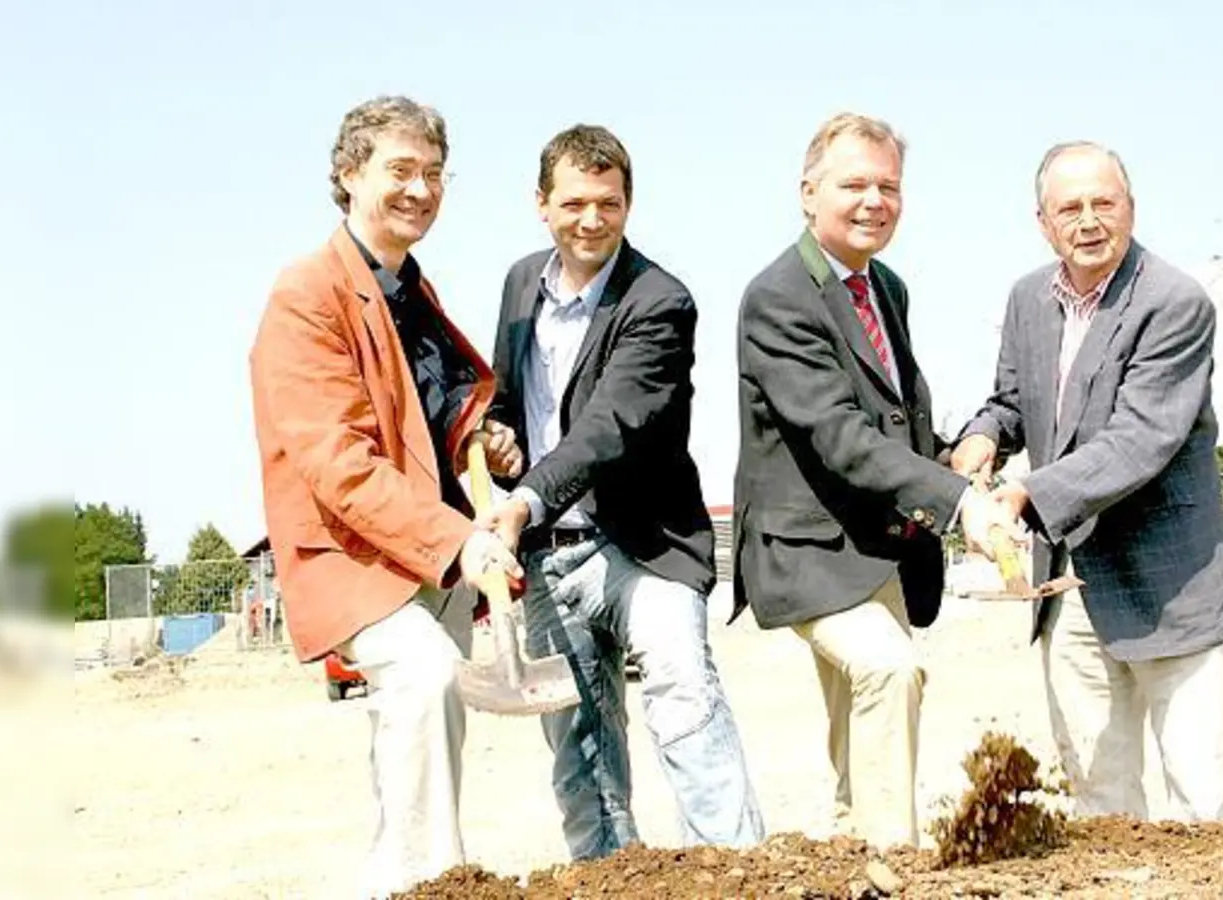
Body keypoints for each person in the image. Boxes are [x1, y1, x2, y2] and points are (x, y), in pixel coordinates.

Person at [248, 95, 525, 898]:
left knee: (421, 739)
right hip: (354, 549)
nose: (421, 189)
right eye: (399, 170)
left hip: (428, 553)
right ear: (347, 174)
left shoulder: (409, 290)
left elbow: (426, 410)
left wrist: (482, 436)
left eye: (434, 173)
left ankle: (403, 881)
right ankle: (439, 884)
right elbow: (335, 459)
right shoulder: (307, 294)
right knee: (426, 679)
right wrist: (461, 542)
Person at [475, 124, 764, 861]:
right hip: (546, 553)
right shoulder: (518, 286)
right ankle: (609, 876)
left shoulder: (660, 300)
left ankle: (735, 868)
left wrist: (524, 498)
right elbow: (512, 398)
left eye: (608, 202)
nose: (592, 219)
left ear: (629, 204)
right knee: (579, 747)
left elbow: (613, 425)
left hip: (643, 546)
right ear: (541, 205)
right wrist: (501, 437)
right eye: (574, 203)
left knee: (681, 693)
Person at [731, 112, 1018, 851]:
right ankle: (898, 862)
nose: (873, 201)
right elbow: (838, 435)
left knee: (860, 729)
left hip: (879, 548)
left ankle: (854, 856)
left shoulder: (883, 284)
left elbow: (893, 417)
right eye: (853, 183)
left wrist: (956, 457)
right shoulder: (778, 298)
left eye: (887, 186)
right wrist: (958, 506)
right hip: (808, 548)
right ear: (807, 192)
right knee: (890, 674)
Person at [951, 140, 1223, 822]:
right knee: (1098, 803)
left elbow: (1139, 440)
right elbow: (1015, 398)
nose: (1088, 221)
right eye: (1069, 207)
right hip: (1070, 589)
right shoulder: (1028, 299)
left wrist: (1024, 496)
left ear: (1131, 210)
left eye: (1103, 203)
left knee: (1202, 800)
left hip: (1173, 587)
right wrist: (984, 435)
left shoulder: (1175, 303)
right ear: (1042, 221)